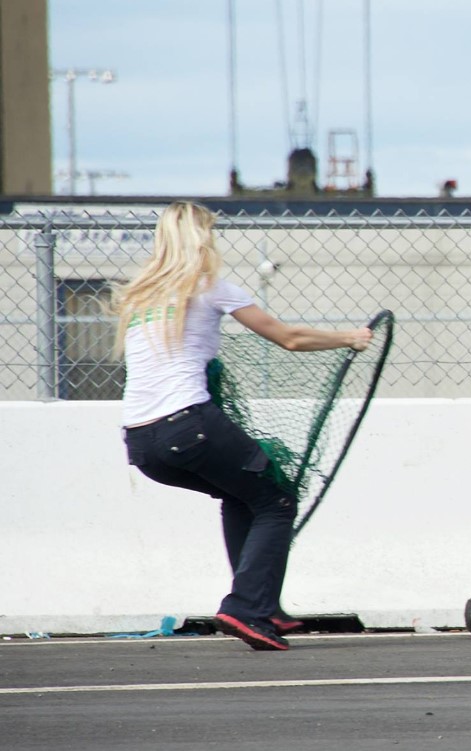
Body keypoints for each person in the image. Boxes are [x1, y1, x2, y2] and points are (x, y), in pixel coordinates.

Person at [115, 201, 373, 651]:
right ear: (201, 239)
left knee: (241, 494)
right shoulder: (210, 286)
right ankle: (245, 607)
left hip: (140, 442)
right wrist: (349, 338)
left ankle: (261, 606)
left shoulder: (140, 296)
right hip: (188, 424)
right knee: (276, 499)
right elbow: (288, 337)